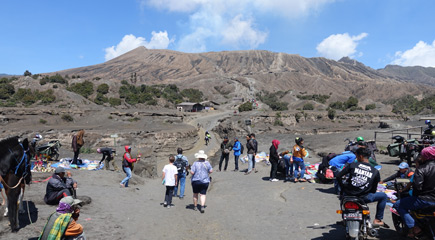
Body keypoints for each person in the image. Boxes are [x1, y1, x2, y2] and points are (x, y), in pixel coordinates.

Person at [336, 147, 389, 228]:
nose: (356, 158)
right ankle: (378, 220)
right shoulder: (375, 171)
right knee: (383, 196)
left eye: (356, 156)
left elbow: (338, 176)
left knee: (342, 198)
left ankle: (344, 218)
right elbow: (374, 189)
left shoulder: (352, 165)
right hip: (364, 197)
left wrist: (343, 188)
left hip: (348, 195)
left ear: (360, 156)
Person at [397, 146, 435, 238]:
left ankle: (415, 227)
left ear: (426, 156)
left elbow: (417, 187)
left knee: (398, 205)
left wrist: (414, 197)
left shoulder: (421, 168)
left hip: (425, 199)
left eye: (422, 155)